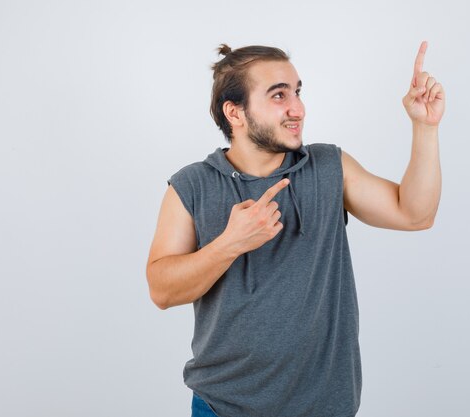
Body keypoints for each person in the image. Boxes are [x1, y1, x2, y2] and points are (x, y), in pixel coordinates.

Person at [146, 42, 444, 417]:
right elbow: (161, 289)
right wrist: (230, 243)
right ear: (234, 112)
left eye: (297, 91)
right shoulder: (192, 185)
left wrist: (425, 127)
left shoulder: (328, 166)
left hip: (326, 408)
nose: (297, 108)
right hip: (222, 407)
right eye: (278, 95)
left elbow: (415, 214)